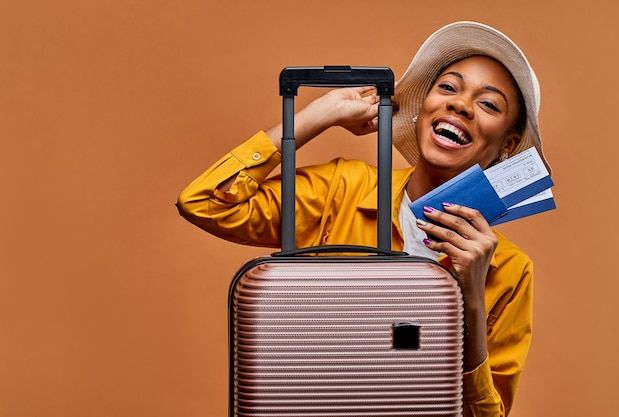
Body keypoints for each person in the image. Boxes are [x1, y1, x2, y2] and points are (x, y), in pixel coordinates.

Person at [177, 21, 551, 417]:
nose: (460, 105)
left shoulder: (509, 270)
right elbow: (205, 202)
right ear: (422, 107)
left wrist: (472, 298)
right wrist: (315, 116)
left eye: (489, 104)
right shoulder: (342, 189)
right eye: (448, 88)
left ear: (508, 145)